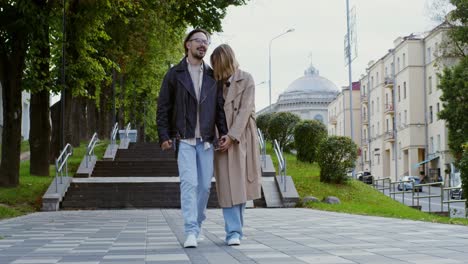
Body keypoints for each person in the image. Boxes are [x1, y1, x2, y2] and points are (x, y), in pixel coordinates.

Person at [156, 29, 227, 248]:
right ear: (187, 44)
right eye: (199, 41)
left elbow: (219, 108)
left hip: (206, 141)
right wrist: (164, 135)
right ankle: (190, 231)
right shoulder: (174, 74)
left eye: (206, 42)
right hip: (184, 139)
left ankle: (197, 224)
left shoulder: (211, 75)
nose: (203, 45)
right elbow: (163, 107)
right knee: (189, 184)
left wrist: (223, 132)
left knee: (204, 187)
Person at [211, 44, 262, 246]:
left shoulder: (246, 79)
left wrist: (232, 136)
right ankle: (233, 230)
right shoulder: (214, 84)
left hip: (242, 138)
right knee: (227, 187)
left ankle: (235, 231)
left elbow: (244, 110)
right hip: (220, 138)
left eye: (217, 64)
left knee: (239, 185)